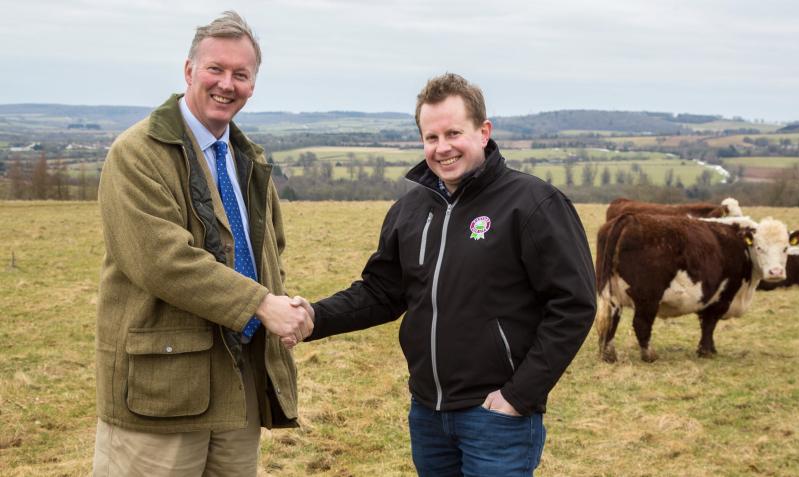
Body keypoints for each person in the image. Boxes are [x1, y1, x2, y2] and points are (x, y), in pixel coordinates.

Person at [291, 73, 596, 476]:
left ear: (483, 132)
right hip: (427, 416)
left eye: (454, 133)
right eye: (431, 137)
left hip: (497, 416)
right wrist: (313, 317)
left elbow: (574, 304)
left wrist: (518, 396)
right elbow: (382, 292)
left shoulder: (533, 204)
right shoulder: (410, 210)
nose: (442, 148)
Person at [93, 11, 313, 476]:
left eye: (241, 74)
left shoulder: (245, 157)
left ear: (253, 85)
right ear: (189, 70)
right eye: (215, 68)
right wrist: (261, 305)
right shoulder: (137, 154)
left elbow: (270, 249)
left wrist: (284, 306)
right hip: (161, 394)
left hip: (239, 387)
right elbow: (162, 261)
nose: (226, 84)